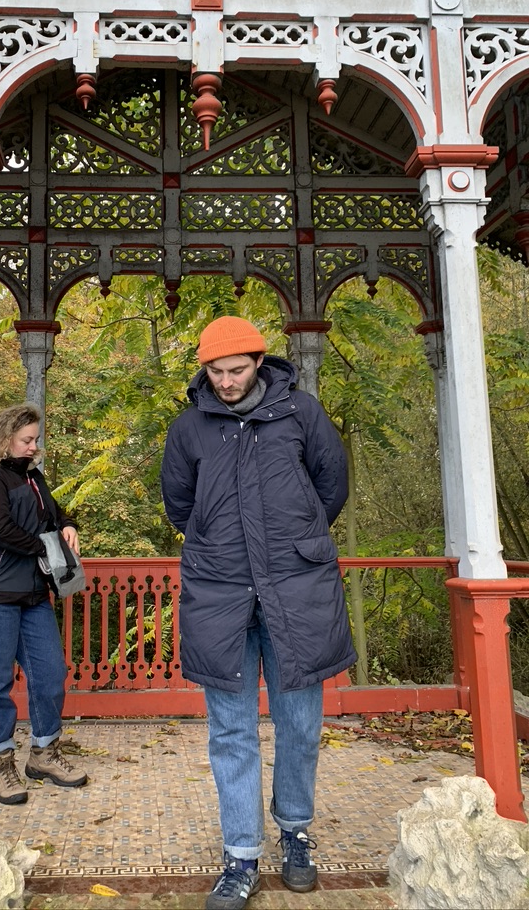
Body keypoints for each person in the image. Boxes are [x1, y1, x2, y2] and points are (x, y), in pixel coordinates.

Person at [160, 316, 356, 908]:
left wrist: (296, 536)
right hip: (220, 596)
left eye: (236, 369)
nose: (225, 380)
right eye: (215, 371)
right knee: (231, 732)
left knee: (300, 724)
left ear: (259, 362)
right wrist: (222, 546)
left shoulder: (302, 413)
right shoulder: (188, 429)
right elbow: (179, 505)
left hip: (297, 591)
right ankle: (240, 854)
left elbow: (332, 485)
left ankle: (295, 829)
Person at [0, 403, 88, 805]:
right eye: (27, 440)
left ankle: (43, 754)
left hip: (34, 594)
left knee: (51, 674)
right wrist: (45, 547)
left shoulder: (33, 477)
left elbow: (53, 513)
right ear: (6, 440)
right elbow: (0, 529)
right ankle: (1, 764)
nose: (34, 446)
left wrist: (67, 525)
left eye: (35, 440)